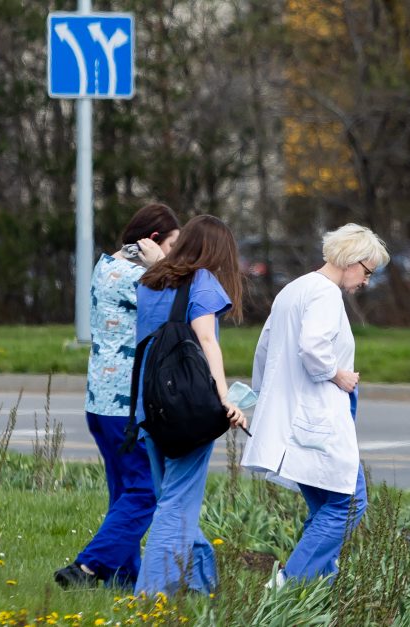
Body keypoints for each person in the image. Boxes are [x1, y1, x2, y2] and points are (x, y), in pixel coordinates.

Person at [241, 223, 389, 587]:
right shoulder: (325, 294)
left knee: (325, 507)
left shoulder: (294, 289)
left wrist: (267, 397)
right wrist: (338, 374)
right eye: (367, 272)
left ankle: (321, 585)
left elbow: (263, 351)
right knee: (349, 502)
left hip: (292, 416)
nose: (366, 282)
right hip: (317, 418)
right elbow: (313, 348)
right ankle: (289, 583)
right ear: (352, 261)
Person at [54, 203, 180, 589]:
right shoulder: (131, 276)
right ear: (153, 240)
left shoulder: (107, 265)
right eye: (173, 244)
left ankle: (124, 578)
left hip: (102, 403)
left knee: (125, 491)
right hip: (122, 407)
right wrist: (162, 264)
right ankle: (87, 568)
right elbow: (177, 305)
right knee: (145, 491)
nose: (175, 253)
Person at [132, 215, 247, 597]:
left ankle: (200, 587)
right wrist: (224, 397)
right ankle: (150, 598)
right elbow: (207, 342)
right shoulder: (203, 282)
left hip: (150, 407)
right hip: (187, 408)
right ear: (215, 251)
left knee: (172, 498)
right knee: (177, 505)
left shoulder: (150, 282)